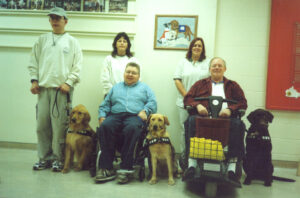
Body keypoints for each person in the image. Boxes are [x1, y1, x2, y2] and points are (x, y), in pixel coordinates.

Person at [28, 7, 83, 172]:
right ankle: (44, 158)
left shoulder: (72, 42)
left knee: (59, 126)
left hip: (62, 91)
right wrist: (34, 80)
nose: (54, 21)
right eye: (52, 18)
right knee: (42, 126)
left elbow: (77, 66)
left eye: (58, 18)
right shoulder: (42, 40)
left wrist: (69, 82)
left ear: (66, 21)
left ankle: (59, 159)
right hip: (43, 89)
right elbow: (34, 61)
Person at [183, 57, 247, 182]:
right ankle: (191, 164)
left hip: (226, 119)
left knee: (238, 124)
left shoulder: (233, 85)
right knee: (190, 121)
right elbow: (187, 99)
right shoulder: (200, 84)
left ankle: (232, 167)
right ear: (209, 69)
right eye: (214, 65)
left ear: (225, 69)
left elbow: (243, 102)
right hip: (203, 117)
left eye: (219, 65)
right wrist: (198, 105)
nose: (217, 67)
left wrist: (230, 109)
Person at [95, 62, 157, 184]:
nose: (130, 74)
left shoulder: (145, 88)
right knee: (106, 126)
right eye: (128, 72)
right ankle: (106, 168)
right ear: (124, 74)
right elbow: (105, 105)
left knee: (133, 128)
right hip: (115, 115)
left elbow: (153, 102)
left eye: (134, 73)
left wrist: (145, 111)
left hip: (134, 116)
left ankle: (126, 167)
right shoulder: (115, 87)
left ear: (139, 76)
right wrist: (102, 116)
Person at [173, 37, 210, 157]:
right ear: (191, 47)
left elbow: (211, 81)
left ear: (203, 49)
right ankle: (184, 160)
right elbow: (177, 80)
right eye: (195, 45)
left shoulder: (208, 62)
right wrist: (188, 97)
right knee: (185, 131)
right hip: (184, 103)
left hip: (202, 104)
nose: (197, 47)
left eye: (200, 46)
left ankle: (197, 159)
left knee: (200, 131)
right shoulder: (182, 62)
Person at [101, 32, 139, 97]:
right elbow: (104, 79)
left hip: (129, 95)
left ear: (128, 45)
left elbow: (138, 78)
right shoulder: (108, 59)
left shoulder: (133, 60)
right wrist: (115, 91)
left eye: (124, 41)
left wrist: (127, 91)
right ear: (115, 44)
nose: (122, 43)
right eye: (119, 41)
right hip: (111, 94)